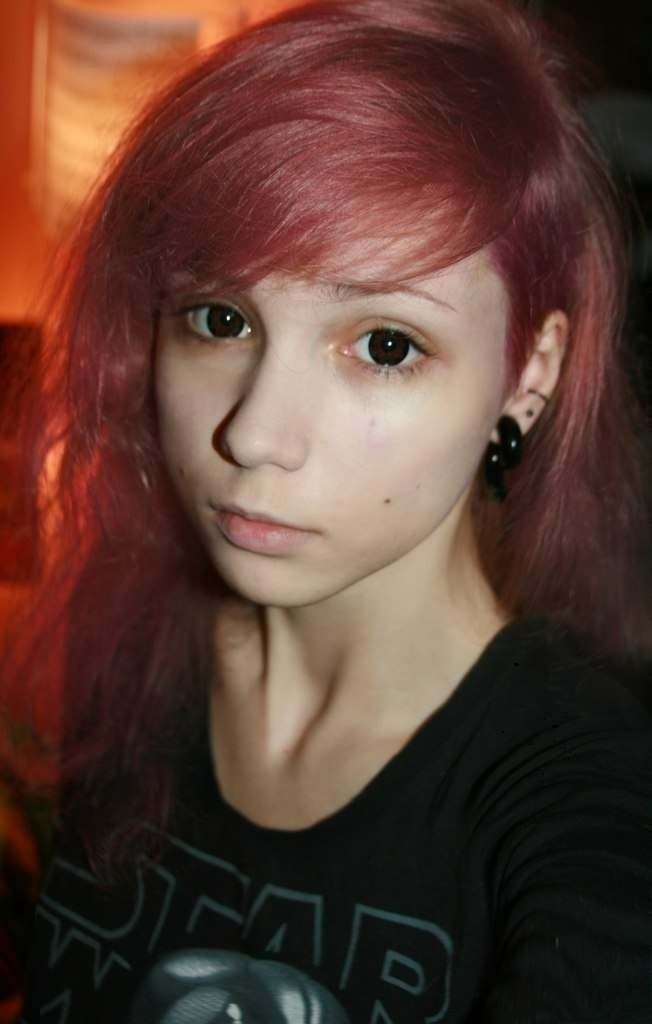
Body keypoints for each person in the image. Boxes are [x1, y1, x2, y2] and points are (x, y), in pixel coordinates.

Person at [4, 0, 652, 1020]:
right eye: (220, 318)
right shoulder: (126, 643)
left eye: (385, 345)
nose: (256, 435)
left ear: (529, 373)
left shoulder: (582, 793)